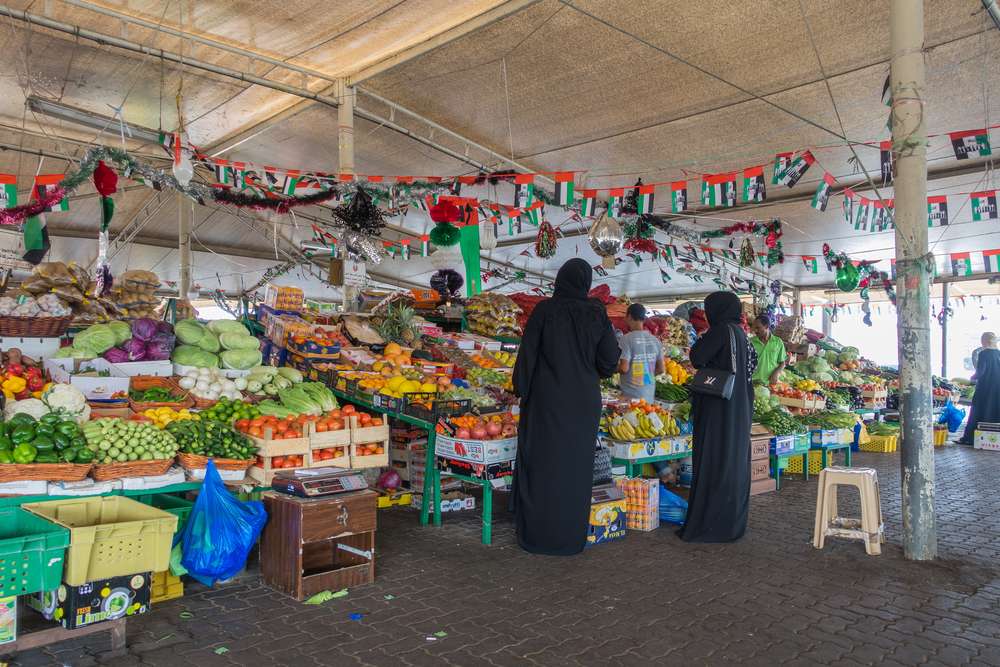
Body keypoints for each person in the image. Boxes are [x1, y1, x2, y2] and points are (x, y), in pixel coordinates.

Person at [511, 258, 620, 555]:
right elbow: (610, 360)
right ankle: (569, 536)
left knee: (542, 463)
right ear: (585, 283)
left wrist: (519, 389)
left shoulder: (545, 310)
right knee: (575, 467)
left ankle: (537, 534)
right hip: (583, 402)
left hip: (546, 400)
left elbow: (528, 355)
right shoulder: (596, 312)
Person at [679, 291, 756, 543]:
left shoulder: (721, 331)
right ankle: (730, 523)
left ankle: (709, 525)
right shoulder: (741, 334)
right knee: (731, 461)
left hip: (718, 408)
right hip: (739, 408)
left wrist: (701, 340)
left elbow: (697, 357)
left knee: (714, 460)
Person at [618, 303, 665, 403]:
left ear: (629, 316)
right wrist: (645, 377)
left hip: (630, 397)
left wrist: (608, 368)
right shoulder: (655, 340)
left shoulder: (626, 339)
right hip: (648, 397)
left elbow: (624, 368)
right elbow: (661, 369)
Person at [960, 333, 999, 445]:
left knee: (978, 410)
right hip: (997, 389)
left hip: (985, 387)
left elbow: (981, 371)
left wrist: (972, 379)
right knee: (994, 410)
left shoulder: (984, 354)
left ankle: (971, 438)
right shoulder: (999, 353)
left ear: (983, 341)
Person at [750, 314, 786, 386]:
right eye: (754, 328)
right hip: (753, 382)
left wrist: (776, 373)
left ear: (766, 326)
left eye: (758, 328)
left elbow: (782, 363)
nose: (755, 330)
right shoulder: (750, 342)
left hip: (770, 383)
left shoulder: (778, 342)